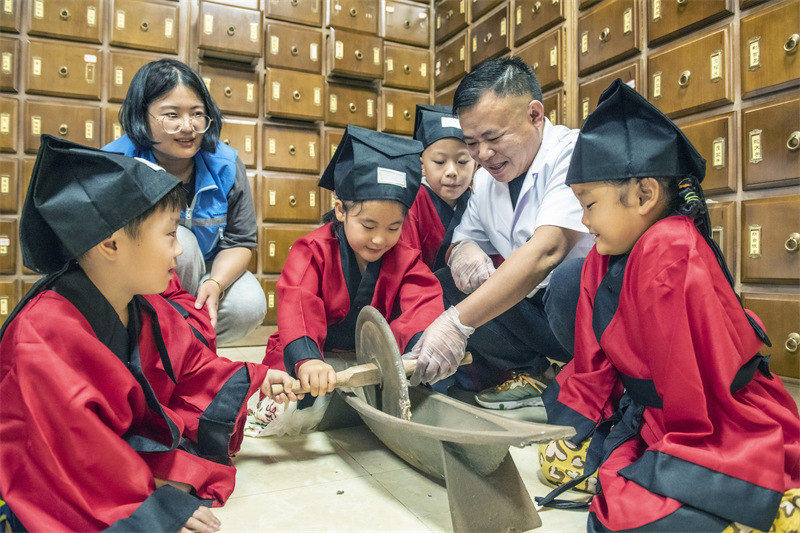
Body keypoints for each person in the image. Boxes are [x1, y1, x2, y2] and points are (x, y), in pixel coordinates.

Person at [0, 136, 301, 531]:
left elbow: (189, 364)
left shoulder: (142, 303)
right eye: (171, 234)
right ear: (111, 244)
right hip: (51, 463)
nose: (179, 251)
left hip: (105, 445)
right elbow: (68, 449)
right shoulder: (41, 336)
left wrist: (256, 377)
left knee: (194, 469)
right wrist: (146, 504)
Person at [537, 80, 800, 532]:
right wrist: (584, 430)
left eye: (590, 204)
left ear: (643, 195)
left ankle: (768, 505)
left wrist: (672, 452)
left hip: (721, 417)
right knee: (570, 466)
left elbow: (692, 389)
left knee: (619, 520)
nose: (583, 220)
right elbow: (593, 364)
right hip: (653, 413)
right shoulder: (607, 256)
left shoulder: (670, 248)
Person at [407, 57, 593, 408]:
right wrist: (464, 251)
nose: (484, 154)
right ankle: (534, 375)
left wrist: (456, 323)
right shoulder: (485, 179)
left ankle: (593, 382)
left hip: (579, 313)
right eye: (472, 143)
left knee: (571, 278)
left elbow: (547, 251)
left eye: (492, 137)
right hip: (537, 314)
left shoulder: (571, 152)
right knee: (448, 282)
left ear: (534, 115)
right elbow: (464, 236)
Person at [261, 126, 445, 405]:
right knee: (289, 397)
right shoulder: (313, 250)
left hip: (367, 361)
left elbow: (423, 301)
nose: (380, 239)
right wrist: (308, 360)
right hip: (314, 352)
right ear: (340, 210)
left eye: (394, 227)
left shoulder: (404, 258)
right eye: (368, 225)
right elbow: (297, 302)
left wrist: (422, 345)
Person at [103, 58, 265, 346]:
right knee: (182, 243)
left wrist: (215, 284)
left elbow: (240, 241)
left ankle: (186, 351)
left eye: (197, 114)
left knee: (249, 304)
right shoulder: (117, 162)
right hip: (136, 282)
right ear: (142, 116)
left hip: (203, 274)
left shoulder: (226, 164)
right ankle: (151, 347)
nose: (188, 126)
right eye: (172, 115)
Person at [404, 104, 475, 271]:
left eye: (462, 162)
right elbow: (408, 265)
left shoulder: (478, 201)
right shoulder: (412, 202)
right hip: (423, 293)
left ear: (476, 164)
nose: (452, 172)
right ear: (421, 165)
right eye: (439, 162)